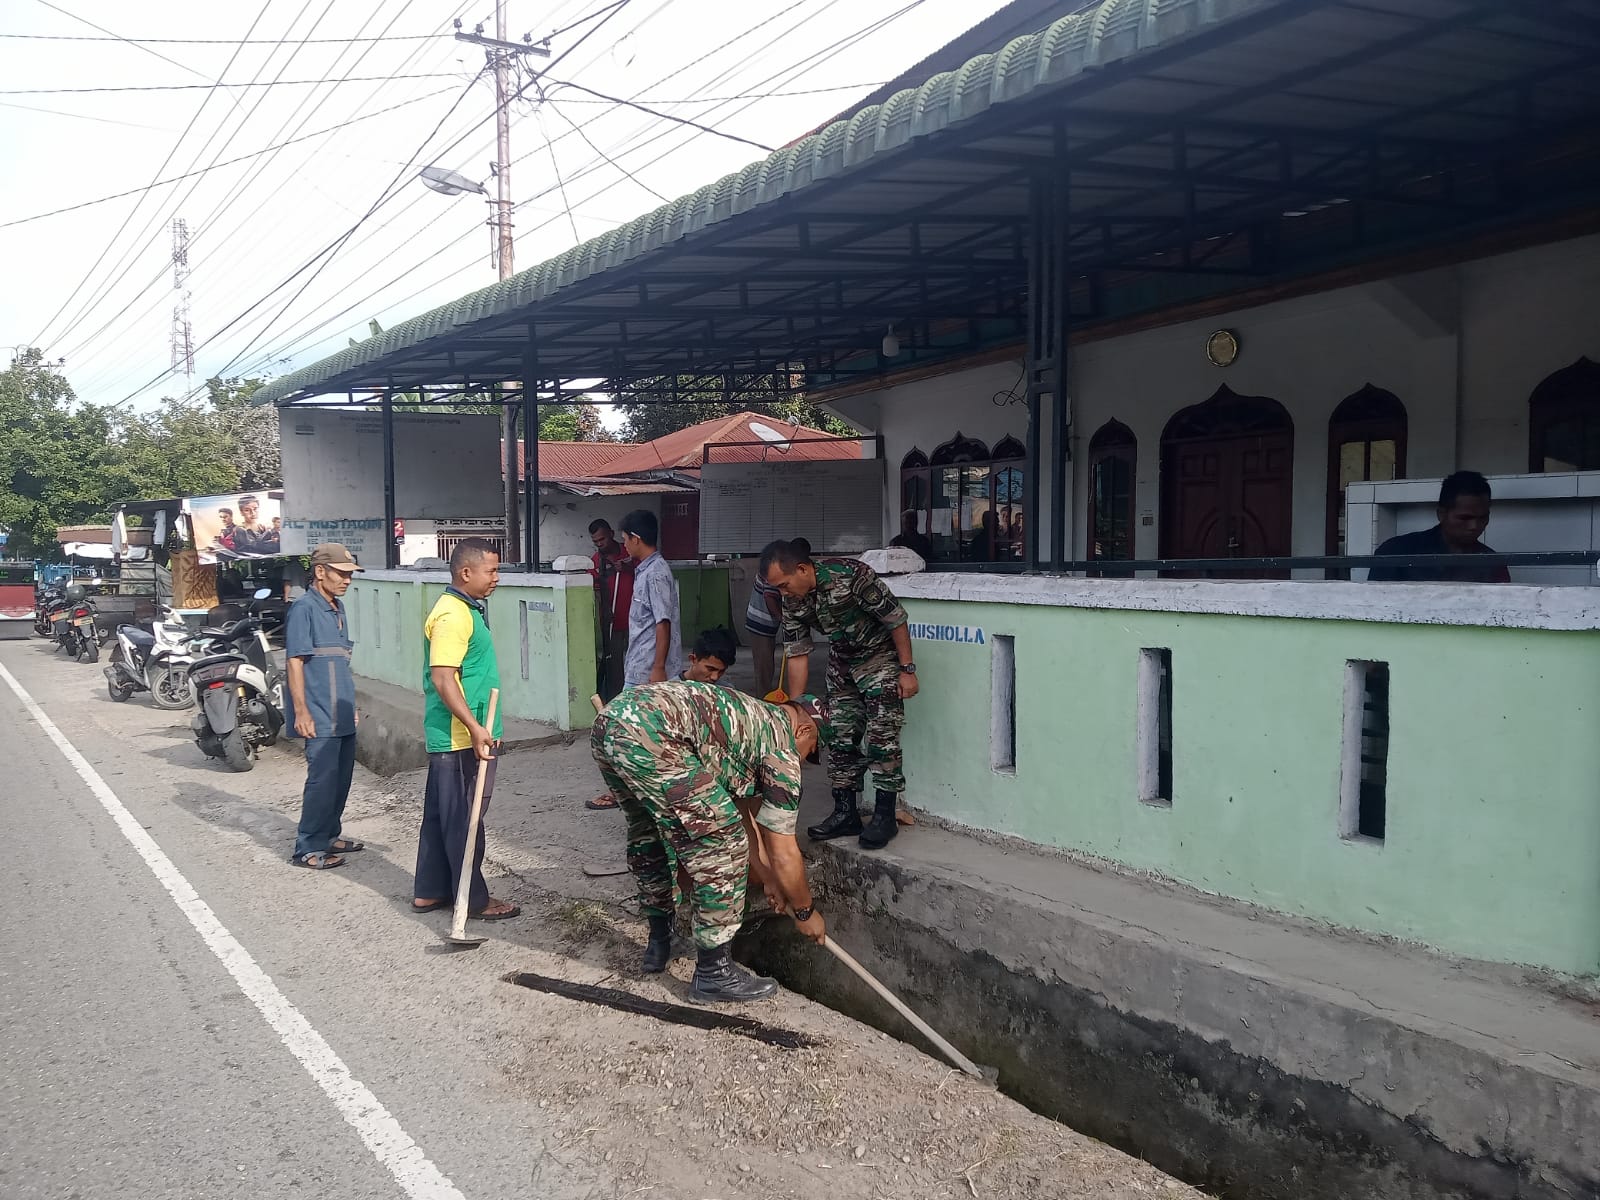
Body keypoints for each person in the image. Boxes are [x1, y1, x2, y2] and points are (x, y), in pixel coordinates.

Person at [590, 680, 827, 1000]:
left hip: (613, 722)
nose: (802, 763)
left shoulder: (750, 725)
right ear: (804, 731)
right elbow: (783, 850)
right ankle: (714, 973)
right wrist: (804, 911)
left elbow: (742, 817)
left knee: (650, 834)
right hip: (652, 732)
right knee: (720, 843)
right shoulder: (781, 748)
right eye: (810, 752)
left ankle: (661, 941)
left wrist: (770, 879)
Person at [759, 539, 918, 851]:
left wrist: (907, 669)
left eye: (785, 585)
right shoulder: (792, 600)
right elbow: (798, 652)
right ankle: (846, 812)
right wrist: (796, 708)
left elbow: (896, 619)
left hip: (879, 658)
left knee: (881, 736)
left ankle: (885, 815)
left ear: (802, 569)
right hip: (842, 663)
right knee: (840, 734)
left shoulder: (852, 575)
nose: (783, 594)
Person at [411, 538, 521, 921]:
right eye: (491, 570)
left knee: (443, 815)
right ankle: (472, 899)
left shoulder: (466, 610)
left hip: (460, 733)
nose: (496, 578)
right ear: (465, 572)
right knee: (466, 820)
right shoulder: (453, 615)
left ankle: (429, 890)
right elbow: (443, 678)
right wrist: (475, 728)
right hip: (462, 737)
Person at [285, 543, 364, 870]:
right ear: (320, 572)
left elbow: (339, 663)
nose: (347, 580)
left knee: (341, 778)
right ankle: (308, 847)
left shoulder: (338, 608)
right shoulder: (304, 608)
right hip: (319, 714)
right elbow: (295, 662)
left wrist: (352, 704)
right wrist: (301, 711)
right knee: (321, 781)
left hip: (341, 711)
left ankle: (330, 835)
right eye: (341, 574)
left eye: (350, 575)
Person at [1369, 471, 1511, 584]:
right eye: (1464, 518)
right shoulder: (1395, 552)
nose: (1474, 526)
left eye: (1482, 518)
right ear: (1441, 514)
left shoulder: (1493, 564)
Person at [620, 508, 683, 687]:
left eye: (625, 540)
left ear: (636, 539)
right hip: (639, 666)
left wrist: (658, 667)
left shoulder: (656, 574)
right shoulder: (645, 570)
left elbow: (663, 622)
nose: (624, 545)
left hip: (647, 673)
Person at [589, 519, 634, 703]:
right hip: (611, 622)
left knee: (636, 663)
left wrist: (627, 568)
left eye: (602, 539)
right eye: (596, 541)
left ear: (611, 534)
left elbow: (643, 570)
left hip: (635, 619)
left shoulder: (629, 551)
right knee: (615, 667)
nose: (600, 544)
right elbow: (594, 590)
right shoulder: (595, 561)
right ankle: (617, 703)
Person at [744, 566, 783, 696]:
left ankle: (767, 695)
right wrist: (781, 618)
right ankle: (763, 699)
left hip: (764, 620)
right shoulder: (773, 571)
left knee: (767, 663)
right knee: (763, 664)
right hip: (760, 621)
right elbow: (769, 597)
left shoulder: (774, 566)